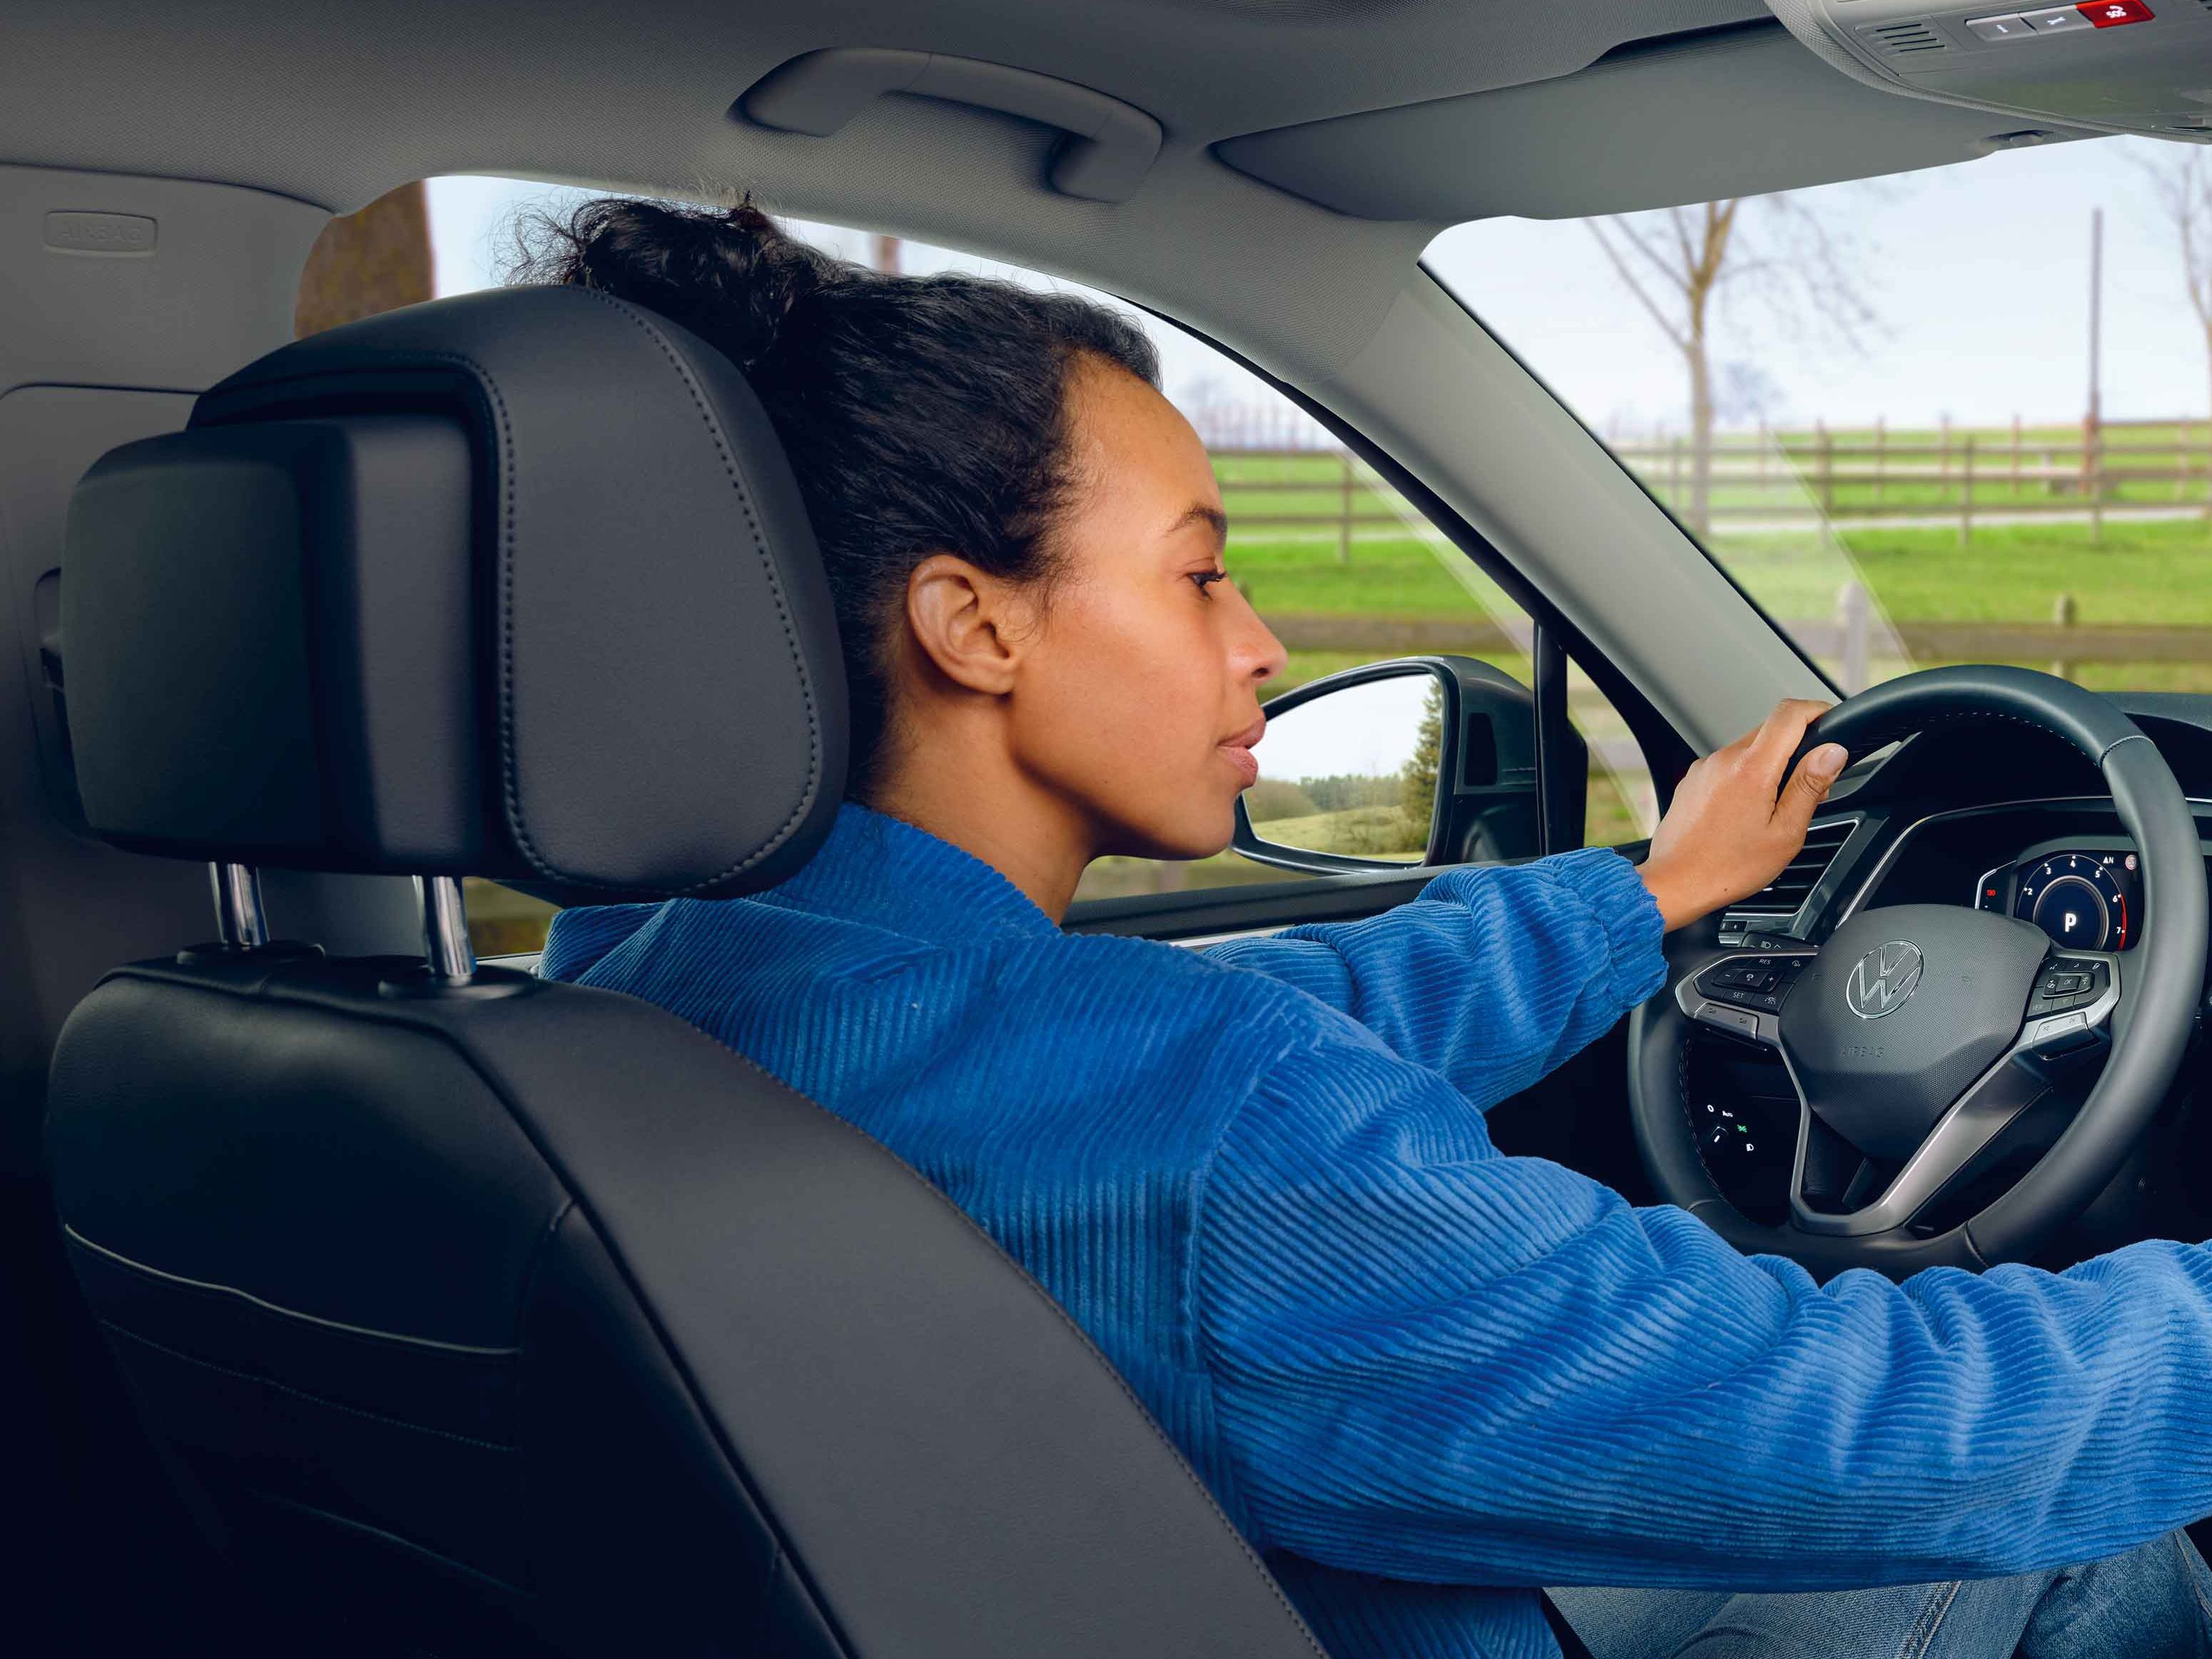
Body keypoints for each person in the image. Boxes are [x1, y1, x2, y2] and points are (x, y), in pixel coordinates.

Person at [522, 199, 2212, 1659]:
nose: (1258, 642)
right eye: (1196, 575)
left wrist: (1645, 896)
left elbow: (1275, 1012)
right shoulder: (1217, 1126)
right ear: (971, 623)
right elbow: (1869, 1426)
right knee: (2074, 1525)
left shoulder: (634, 980)